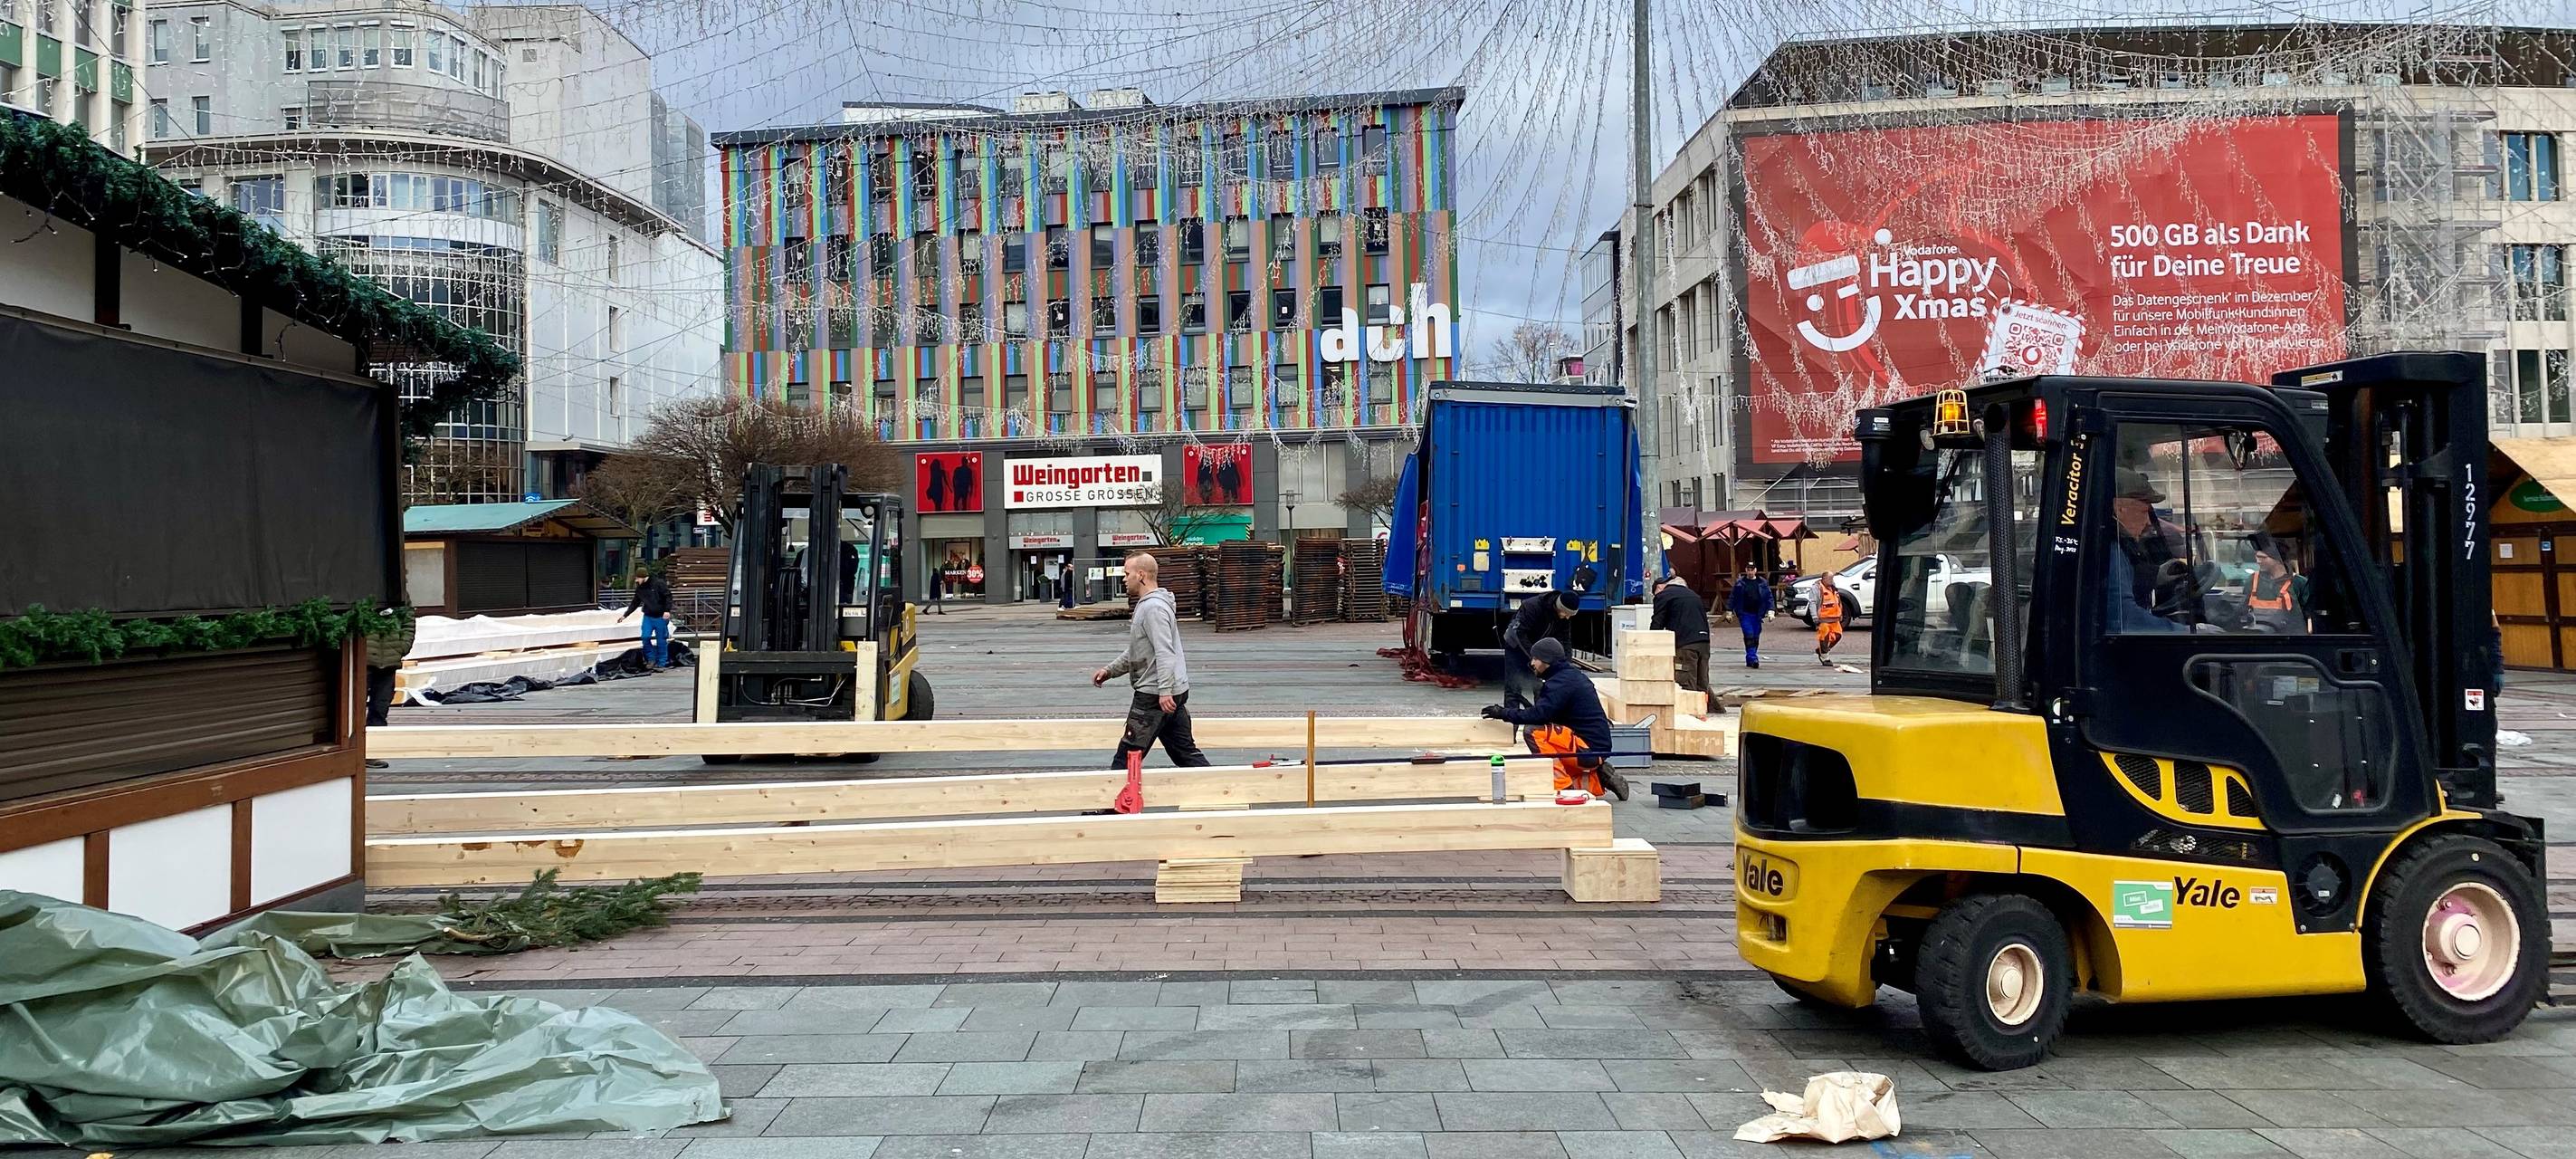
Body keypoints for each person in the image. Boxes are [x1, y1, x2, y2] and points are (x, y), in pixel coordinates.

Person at [1092, 551, 1209, 768]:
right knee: (1185, 753)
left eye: (1127, 574)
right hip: (1170, 693)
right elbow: (1140, 652)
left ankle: (1113, 799)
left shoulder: (1153, 608)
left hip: (1154, 696)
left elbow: (1165, 652)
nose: (1124, 579)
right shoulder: (1151, 605)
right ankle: (1218, 791)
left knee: (1126, 759)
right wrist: (1110, 671)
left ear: (1141, 575)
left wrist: (1164, 691)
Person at [1482, 637, 1627, 800]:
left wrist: (1503, 713)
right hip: (1592, 749)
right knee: (1548, 755)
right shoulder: (1569, 677)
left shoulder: (1561, 683)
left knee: (1533, 733)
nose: (1532, 663)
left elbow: (1539, 716)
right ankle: (1601, 776)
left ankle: (1564, 789)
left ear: (1547, 660)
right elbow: (1550, 715)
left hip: (1587, 751)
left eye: (1536, 658)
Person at [1501, 588, 1579, 709]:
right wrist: (1536, 656)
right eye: (1566, 614)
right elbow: (1519, 633)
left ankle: (1542, 718)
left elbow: (1565, 640)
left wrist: (1566, 663)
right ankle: (1512, 720)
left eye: (1570, 615)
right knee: (1514, 686)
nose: (1567, 618)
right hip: (1516, 645)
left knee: (1541, 687)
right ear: (1558, 607)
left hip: (1539, 649)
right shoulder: (1532, 606)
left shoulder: (1563, 616)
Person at [360, 608, 416, 770]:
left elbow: (408, 620)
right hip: (362, 658)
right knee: (354, 709)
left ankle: (372, 752)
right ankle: (353, 753)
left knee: (380, 708)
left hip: (390, 660)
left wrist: (402, 646)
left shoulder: (397, 589)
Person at [1650, 573, 1711, 694]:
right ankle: (1705, 710)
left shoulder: (1663, 595)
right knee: (1702, 683)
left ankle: (1690, 711)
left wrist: (1651, 645)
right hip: (1704, 643)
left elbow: (1657, 623)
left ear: (1659, 588)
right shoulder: (1693, 595)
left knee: (1687, 684)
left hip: (1685, 645)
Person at [2239, 532, 2308, 634]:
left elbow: (2309, 617)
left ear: (2278, 559)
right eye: (2257, 557)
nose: (2258, 561)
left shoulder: (2299, 583)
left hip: (2289, 641)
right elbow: (2242, 611)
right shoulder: (2252, 580)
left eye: (2263, 558)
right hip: (2256, 639)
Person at [617, 563, 673, 669]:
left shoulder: (658, 584)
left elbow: (668, 596)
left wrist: (667, 610)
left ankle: (661, 663)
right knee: (645, 637)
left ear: (643, 577)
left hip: (660, 616)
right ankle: (651, 659)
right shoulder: (640, 589)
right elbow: (635, 603)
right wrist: (625, 615)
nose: (636, 581)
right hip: (648, 616)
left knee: (661, 640)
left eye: (638, 578)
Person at [1727, 562, 1774, 669]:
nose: (1750, 571)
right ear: (1746, 570)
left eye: (1752, 569)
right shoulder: (1740, 583)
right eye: (1748, 569)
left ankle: (1750, 658)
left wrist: (1771, 610)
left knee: (1756, 636)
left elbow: (1769, 597)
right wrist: (1729, 610)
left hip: (1758, 614)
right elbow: (1733, 597)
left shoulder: (1762, 583)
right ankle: (1753, 658)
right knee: (1749, 635)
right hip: (1745, 613)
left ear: (1756, 570)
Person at [1814, 578, 1848, 666]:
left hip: (1835, 618)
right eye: (1830, 578)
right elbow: (1813, 602)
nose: (1832, 580)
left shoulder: (1834, 589)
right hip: (1824, 618)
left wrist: (1840, 613)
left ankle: (1821, 650)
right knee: (1824, 637)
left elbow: (1838, 602)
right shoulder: (1818, 588)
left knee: (1838, 636)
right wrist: (1815, 616)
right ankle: (1825, 657)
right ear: (1824, 579)